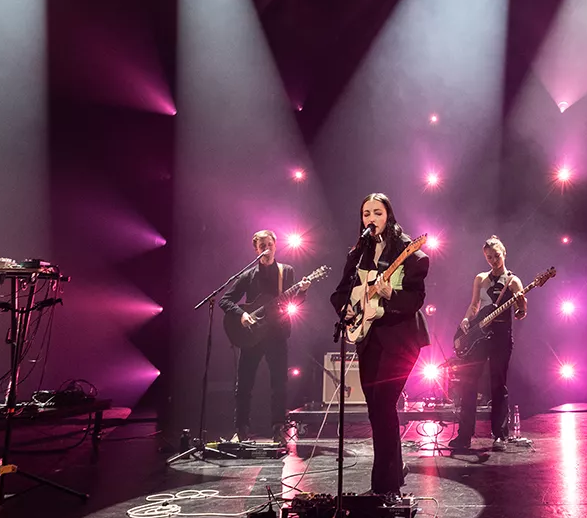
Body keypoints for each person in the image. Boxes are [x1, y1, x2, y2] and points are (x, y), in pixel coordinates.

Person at [328, 192, 429, 501]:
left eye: (377, 212)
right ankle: (394, 472)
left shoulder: (410, 253)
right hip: (368, 336)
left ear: (389, 216)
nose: (371, 218)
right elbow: (340, 292)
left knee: (384, 404)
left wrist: (389, 294)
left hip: (401, 339)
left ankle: (385, 486)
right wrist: (345, 309)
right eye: (366, 213)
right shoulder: (358, 253)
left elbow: (415, 300)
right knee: (375, 409)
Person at [219, 230, 309, 442]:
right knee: (244, 384)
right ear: (256, 249)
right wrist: (241, 314)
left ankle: (278, 429)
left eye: (270, 245)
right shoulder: (248, 275)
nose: (267, 249)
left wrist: (303, 290)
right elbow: (225, 300)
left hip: (277, 335)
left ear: (275, 246)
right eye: (262, 246)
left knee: (279, 384)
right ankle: (241, 429)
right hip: (251, 336)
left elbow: (294, 301)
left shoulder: (286, 271)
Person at [449, 236, 527, 452]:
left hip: (501, 334)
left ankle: (500, 436)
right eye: (489, 257)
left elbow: (521, 311)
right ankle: (464, 435)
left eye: (496, 256)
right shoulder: (480, 278)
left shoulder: (513, 281)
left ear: (504, 253)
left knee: (498, 384)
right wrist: (466, 319)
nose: (493, 260)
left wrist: (521, 304)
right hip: (479, 335)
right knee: (468, 383)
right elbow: (474, 305)